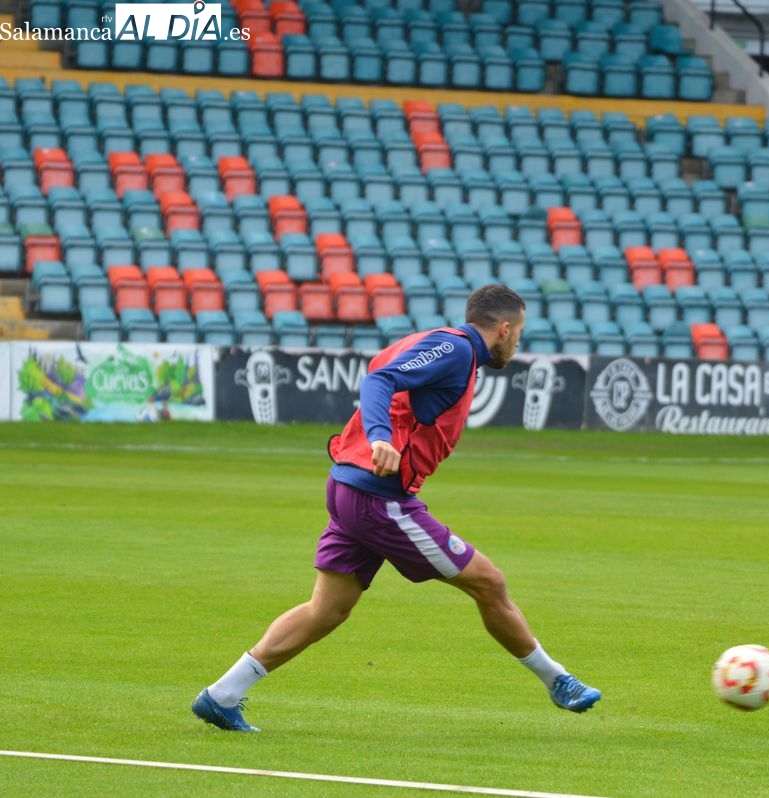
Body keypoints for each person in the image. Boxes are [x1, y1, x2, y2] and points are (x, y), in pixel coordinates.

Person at [192, 284, 601, 731]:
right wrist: (381, 436)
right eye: (519, 333)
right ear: (504, 328)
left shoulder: (440, 344)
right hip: (378, 498)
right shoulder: (455, 349)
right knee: (488, 582)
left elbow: (380, 365)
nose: (517, 342)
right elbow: (379, 379)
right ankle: (558, 680)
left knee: (326, 610)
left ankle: (221, 695)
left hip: (351, 488)